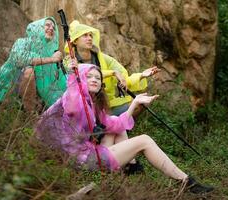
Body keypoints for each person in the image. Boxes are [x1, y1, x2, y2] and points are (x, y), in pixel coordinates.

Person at [35, 64, 214, 194]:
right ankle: (185, 182)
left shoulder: (91, 104)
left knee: (114, 123)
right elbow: (73, 107)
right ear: (80, 79)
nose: (95, 80)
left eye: (98, 77)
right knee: (144, 140)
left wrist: (135, 103)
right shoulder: (71, 97)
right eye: (89, 76)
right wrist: (74, 78)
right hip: (79, 160)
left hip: (82, 155)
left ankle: (130, 167)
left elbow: (117, 124)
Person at [63, 20, 161, 173]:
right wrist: (111, 74)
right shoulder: (70, 62)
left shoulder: (102, 58)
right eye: (84, 36)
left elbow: (124, 77)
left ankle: (124, 159)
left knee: (141, 104)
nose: (90, 38)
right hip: (86, 113)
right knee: (116, 127)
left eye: (90, 35)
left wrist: (142, 75)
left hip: (107, 106)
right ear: (74, 41)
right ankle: (128, 160)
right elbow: (74, 81)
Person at [0, 17, 66, 112]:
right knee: (29, 71)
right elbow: (19, 58)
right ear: (38, 27)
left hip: (39, 91)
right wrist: (51, 59)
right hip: (12, 85)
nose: (51, 28)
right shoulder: (23, 42)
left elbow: (59, 78)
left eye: (53, 28)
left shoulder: (50, 52)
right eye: (47, 25)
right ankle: (29, 115)